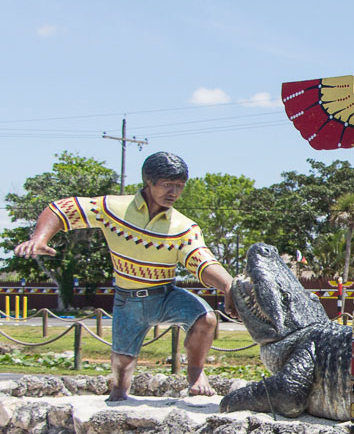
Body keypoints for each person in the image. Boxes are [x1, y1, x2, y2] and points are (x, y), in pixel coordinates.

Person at [15, 152, 236, 402]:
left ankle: (196, 373)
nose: (174, 192)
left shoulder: (184, 227)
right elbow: (62, 209)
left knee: (206, 319)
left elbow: (202, 260)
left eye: (179, 186)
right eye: (167, 184)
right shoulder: (113, 208)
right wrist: (39, 238)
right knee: (120, 381)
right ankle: (119, 393)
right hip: (127, 302)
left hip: (165, 296)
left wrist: (227, 284)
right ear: (149, 182)